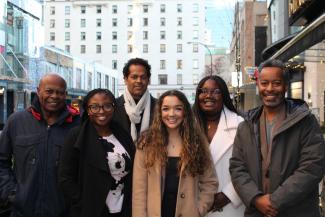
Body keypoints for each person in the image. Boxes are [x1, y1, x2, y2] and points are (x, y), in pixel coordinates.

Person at [229, 59, 325, 217]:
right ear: (258, 85)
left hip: (297, 211)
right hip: (257, 211)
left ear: (286, 86)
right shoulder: (245, 125)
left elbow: (312, 167)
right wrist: (256, 199)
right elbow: (237, 167)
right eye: (264, 83)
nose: (270, 89)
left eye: (276, 83)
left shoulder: (306, 121)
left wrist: (274, 201)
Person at [0, 74, 80, 217]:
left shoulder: (78, 125)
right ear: (38, 91)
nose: (54, 96)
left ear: (65, 94)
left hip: (64, 211)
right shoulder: (16, 121)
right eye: (49, 91)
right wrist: (11, 194)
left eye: (60, 92)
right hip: (22, 211)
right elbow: (2, 162)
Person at [133, 90, 218, 217]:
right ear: (159, 112)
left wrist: (198, 210)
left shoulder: (197, 142)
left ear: (185, 112)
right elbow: (139, 189)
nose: (171, 114)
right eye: (166, 109)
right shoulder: (146, 142)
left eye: (178, 109)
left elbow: (209, 182)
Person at [59, 88, 135, 217]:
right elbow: (65, 178)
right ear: (88, 110)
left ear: (114, 108)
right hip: (91, 210)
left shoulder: (122, 133)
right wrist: (83, 202)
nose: (101, 111)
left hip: (123, 209)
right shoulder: (76, 136)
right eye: (94, 107)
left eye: (107, 106)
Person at [192, 75, 245, 217]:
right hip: (194, 206)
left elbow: (252, 166)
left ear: (224, 96)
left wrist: (228, 195)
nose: (208, 96)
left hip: (229, 208)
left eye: (215, 91)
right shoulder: (186, 127)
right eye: (203, 91)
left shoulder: (240, 125)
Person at [113, 58, 156, 141]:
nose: (139, 81)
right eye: (134, 77)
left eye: (143, 77)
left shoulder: (159, 107)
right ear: (125, 80)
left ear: (148, 80)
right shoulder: (113, 107)